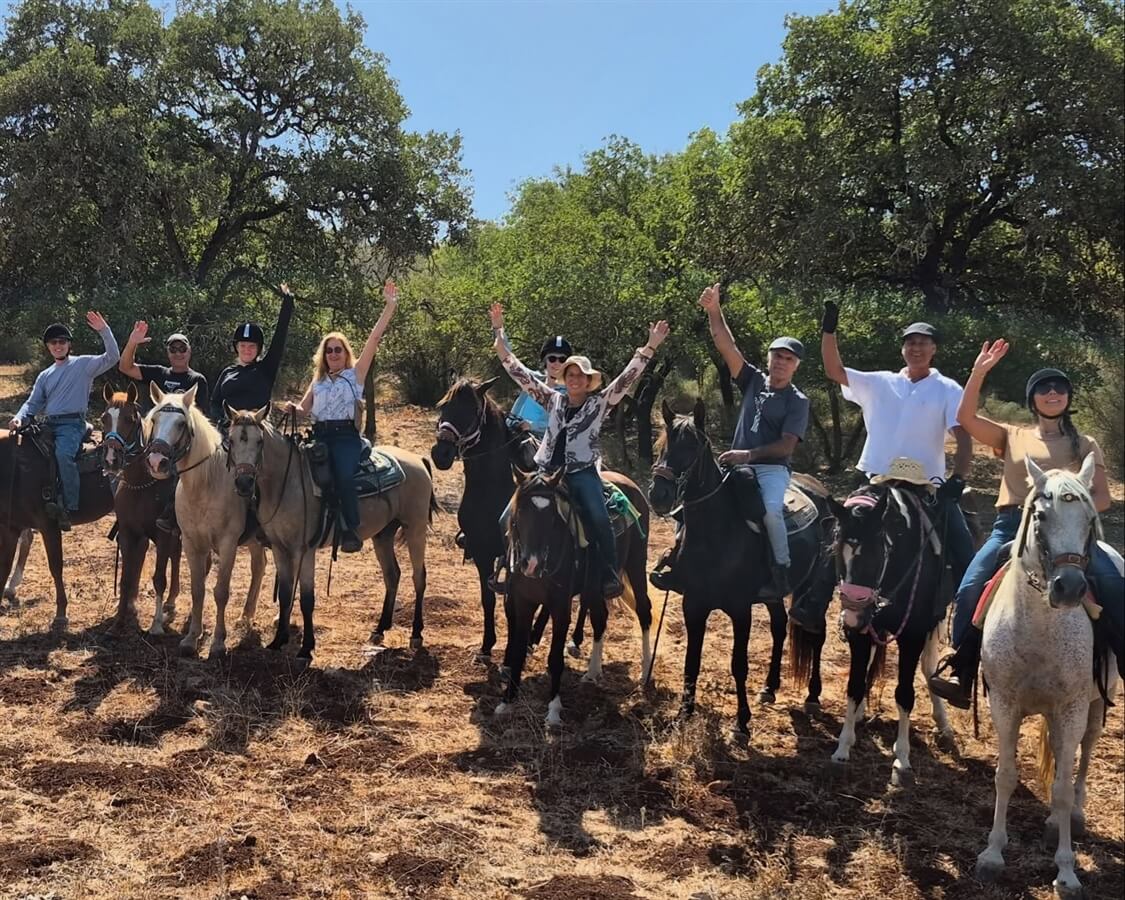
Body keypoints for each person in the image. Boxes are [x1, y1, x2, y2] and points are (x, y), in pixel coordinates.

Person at [928, 345, 1124, 707]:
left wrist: (1069, 510)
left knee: (1114, 583)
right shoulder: (1012, 435)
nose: (1052, 394)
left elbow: (1102, 497)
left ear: (1068, 398)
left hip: (1071, 532)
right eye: (1044, 389)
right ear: (1032, 399)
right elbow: (966, 417)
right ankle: (963, 667)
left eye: (1059, 389)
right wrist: (978, 372)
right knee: (971, 587)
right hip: (1012, 526)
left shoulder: (1085, 443)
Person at [490, 302, 669, 598]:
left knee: (599, 518)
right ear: (565, 380)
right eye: (570, 375)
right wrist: (499, 330)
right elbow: (518, 372)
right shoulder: (553, 400)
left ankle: (610, 574)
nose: (574, 379)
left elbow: (626, 379)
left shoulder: (599, 405)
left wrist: (649, 347)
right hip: (546, 470)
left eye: (580, 376)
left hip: (580, 472)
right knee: (505, 516)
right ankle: (506, 567)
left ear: (588, 381)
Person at [651, 283, 809, 599]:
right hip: (736, 464)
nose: (780, 362)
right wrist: (713, 310)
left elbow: (787, 445)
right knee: (693, 503)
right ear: (769, 358)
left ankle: (780, 569)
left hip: (770, 470)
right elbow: (726, 345)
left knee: (771, 511)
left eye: (788, 359)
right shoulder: (753, 379)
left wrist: (747, 455)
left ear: (796, 366)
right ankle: (678, 562)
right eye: (777, 356)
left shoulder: (797, 400)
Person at [821, 301, 975, 591]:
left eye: (923, 343)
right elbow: (835, 370)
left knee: (964, 550)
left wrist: (958, 479)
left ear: (933, 350)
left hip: (925, 488)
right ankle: (813, 607)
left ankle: (964, 618)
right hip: (877, 482)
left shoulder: (948, 389)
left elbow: (964, 438)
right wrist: (829, 330)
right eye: (910, 343)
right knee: (835, 540)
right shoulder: (880, 382)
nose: (916, 348)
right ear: (903, 350)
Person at [287, 281, 398, 552]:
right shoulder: (318, 380)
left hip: (346, 438)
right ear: (323, 355)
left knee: (343, 476)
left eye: (338, 349)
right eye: (329, 350)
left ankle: (350, 527)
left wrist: (390, 306)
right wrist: (292, 409)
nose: (334, 354)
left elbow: (373, 339)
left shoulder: (355, 375)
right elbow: (304, 410)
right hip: (320, 435)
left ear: (345, 353)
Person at [9, 313, 120, 530]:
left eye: (62, 341)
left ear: (69, 344)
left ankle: (69, 506)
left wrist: (104, 330)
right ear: (48, 347)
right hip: (48, 423)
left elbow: (112, 356)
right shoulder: (45, 375)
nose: (58, 346)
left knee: (63, 454)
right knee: (26, 453)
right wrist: (19, 418)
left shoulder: (84, 365)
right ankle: (33, 501)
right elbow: (32, 403)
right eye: (53, 342)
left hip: (72, 424)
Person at [210, 282, 296, 425]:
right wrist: (221, 420)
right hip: (230, 430)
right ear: (236, 347)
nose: (247, 349)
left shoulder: (266, 369)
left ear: (259, 348)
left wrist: (287, 301)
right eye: (242, 345)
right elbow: (214, 402)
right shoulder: (227, 372)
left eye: (251, 346)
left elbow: (279, 337)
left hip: (257, 430)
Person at [119, 323, 209, 411]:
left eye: (182, 349)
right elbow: (125, 368)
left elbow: (200, 415)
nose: (178, 353)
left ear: (189, 351)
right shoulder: (158, 373)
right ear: (168, 353)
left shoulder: (197, 380)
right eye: (173, 349)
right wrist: (132, 342)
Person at [505, 335, 572, 437]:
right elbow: (511, 362)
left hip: (542, 442)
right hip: (511, 433)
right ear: (545, 360)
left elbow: (562, 424)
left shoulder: (569, 393)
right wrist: (498, 328)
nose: (557, 363)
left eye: (562, 360)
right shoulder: (533, 380)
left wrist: (532, 426)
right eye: (552, 358)